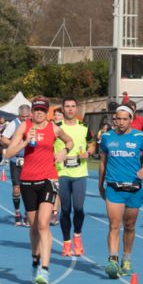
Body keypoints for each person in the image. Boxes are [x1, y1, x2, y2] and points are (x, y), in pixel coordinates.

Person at [4, 97, 76, 284]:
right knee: (34, 226)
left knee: (44, 225)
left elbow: (69, 140)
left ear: (47, 112)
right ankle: (35, 259)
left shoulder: (53, 128)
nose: (39, 113)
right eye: (36, 110)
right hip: (27, 180)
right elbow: (8, 154)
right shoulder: (24, 127)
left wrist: (64, 151)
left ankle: (45, 269)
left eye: (42, 110)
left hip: (48, 179)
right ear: (31, 112)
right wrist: (25, 142)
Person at [98, 104, 143, 278]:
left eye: (125, 119)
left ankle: (127, 259)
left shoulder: (139, 137)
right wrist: (100, 185)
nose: (121, 122)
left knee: (129, 226)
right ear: (114, 119)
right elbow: (102, 162)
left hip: (134, 188)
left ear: (131, 119)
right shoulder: (107, 137)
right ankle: (113, 260)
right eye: (119, 119)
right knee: (114, 225)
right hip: (114, 187)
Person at [55, 97, 92, 257]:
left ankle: (77, 235)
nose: (70, 109)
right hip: (62, 173)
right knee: (65, 208)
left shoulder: (84, 127)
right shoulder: (56, 127)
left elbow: (92, 143)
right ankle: (66, 242)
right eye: (67, 106)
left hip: (79, 173)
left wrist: (89, 152)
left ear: (76, 109)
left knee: (78, 207)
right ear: (62, 109)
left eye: (73, 106)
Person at [0, 104, 32, 226]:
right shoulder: (14, 124)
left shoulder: (34, 124)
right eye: (23, 116)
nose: (25, 119)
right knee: (16, 189)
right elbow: (3, 139)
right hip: (16, 160)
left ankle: (28, 214)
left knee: (29, 189)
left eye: (27, 116)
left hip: (30, 160)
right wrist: (16, 143)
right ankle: (17, 212)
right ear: (19, 115)